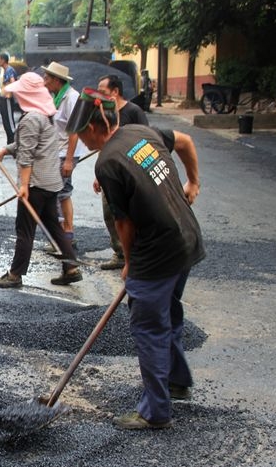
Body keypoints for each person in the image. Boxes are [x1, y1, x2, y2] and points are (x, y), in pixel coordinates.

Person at [66, 87, 203, 430]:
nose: (81, 141)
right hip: (186, 238)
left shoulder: (108, 162)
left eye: (81, 134)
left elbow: (124, 224)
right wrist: (193, 182)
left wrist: (130, 263)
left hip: (157, 251)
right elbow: (185, 141)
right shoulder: (141, 132)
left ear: (94, 127)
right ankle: (176, 381)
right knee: (169, 310)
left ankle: (155, 412)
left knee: (148, 328)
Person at [0, 72, 82, 289]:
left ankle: (15, 274)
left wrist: (24, 185)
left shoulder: (31, 118)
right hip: (51, 182)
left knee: (25, 229)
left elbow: (27, 154)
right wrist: (5, 150)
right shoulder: (46, 114)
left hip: (36, 184)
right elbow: (29, 144)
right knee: (54, 226)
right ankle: (71, 268)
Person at [94, 73, 149, 270]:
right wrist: (98, 175)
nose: (99, 95)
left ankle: (137, 255)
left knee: (133, 215)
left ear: (115, 91)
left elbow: (147, 140)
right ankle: (120, 253)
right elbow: (103, 145)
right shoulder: (105, 113)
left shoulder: (133, 111)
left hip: (132, 173)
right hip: (112, 174)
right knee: (111, 213)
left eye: (103, 91)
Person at [41, 61, 89, 245]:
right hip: (58, 151)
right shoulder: (57, 97)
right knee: (63, 193)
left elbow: (74, 131)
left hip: (66, 153)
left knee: (57, 193)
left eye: (47, 78)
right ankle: (66, 234)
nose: (44, 81)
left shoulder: (71, 97)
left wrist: (69, 160)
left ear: (57, 80)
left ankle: (63, 237)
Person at [0, 53, 17, 144]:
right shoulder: (5, 70)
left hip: (7, 100)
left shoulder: (9, 70)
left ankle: (13, 141)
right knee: (5, 120)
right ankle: (9, 142)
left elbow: (13, 82)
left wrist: (9, 94)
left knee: (9, 121)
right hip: (4, 99)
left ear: (3, 60)